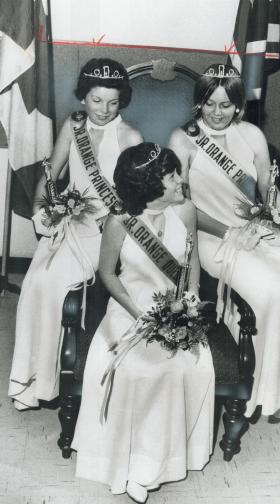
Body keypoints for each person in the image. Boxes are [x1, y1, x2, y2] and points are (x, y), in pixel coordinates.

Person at [168, 63, 280, 419]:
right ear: (199, 103)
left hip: (255, 232)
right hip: (211, 237)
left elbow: (270, 191)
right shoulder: (183, 140)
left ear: (238, 106)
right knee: (268, 293)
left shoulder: (252, 135)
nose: (217, 113)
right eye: (209, 104)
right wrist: (227, 232)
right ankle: (260, 390)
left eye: (225, 105)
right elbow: (183, 205)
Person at [72, 143, 215, 503]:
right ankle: (136, 465)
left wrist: (191, 297)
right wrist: (140, 314)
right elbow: (107, 273)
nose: (181, 180)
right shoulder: (119, 221)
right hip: (130, 308)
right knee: (142, 369)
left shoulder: (185, 211)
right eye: (172, 176)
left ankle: (159, 463)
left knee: (188, 366)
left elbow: (192, 259)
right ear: (151, 186)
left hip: (178, 307)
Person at [8, 58, 143, 410]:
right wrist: (41, 209)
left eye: (113, 102)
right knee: (36, 281)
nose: (104, 109)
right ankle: (32, 379)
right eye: (96, 100)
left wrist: (109, 223)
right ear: (83, 97)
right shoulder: (74, 124)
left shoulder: (130, 136)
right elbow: (52, 171)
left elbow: (132, 197)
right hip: (73, 221)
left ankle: (54, 378)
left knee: (54, 285)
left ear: (122, 100)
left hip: (107, 229)